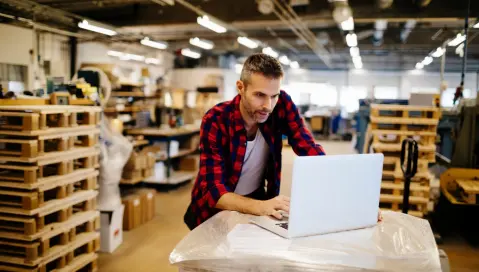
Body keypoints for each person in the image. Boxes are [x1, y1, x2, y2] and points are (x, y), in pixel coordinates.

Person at [183, 53, 326, 230]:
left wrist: (332, 176)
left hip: (256, 198)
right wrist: (260, 206)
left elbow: (306, 145)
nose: (268, 105)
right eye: (259, 95)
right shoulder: (216, 119)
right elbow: (214, 191)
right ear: (240, 87)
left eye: (274, 96)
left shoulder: (281, 104)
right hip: (214, 211)